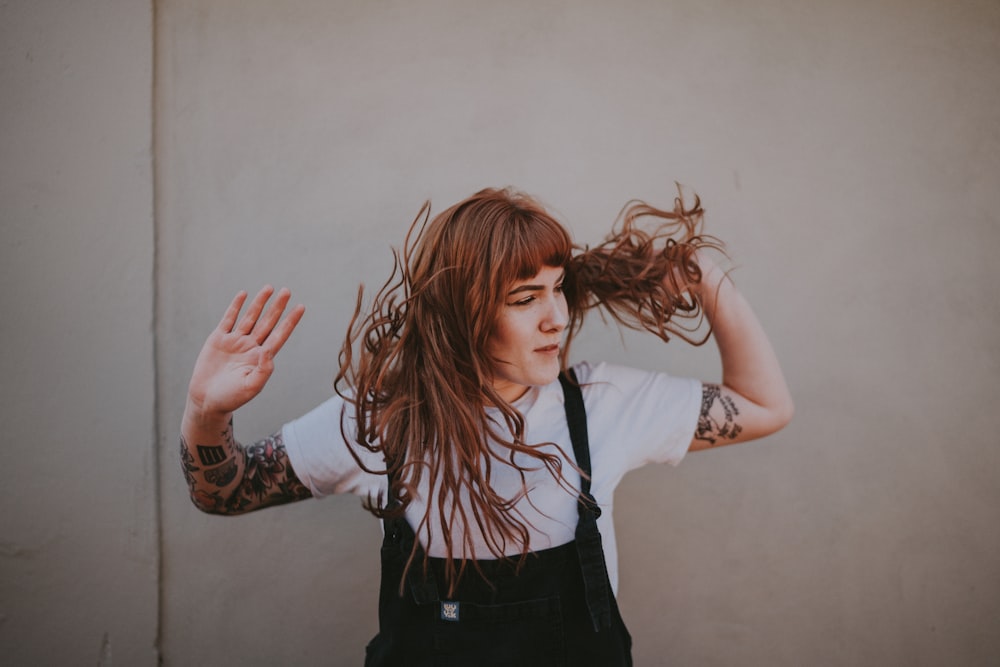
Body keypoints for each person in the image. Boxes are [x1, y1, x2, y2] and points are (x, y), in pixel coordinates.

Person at [180, 186, 793, 666]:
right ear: (460, 314)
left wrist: (703, 277)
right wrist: (206, 413)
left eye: (557, 289)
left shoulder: (600, 405)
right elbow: (223, 491)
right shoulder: (383, 423)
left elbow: (765, 406)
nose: (556, 317)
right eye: (524, 299)